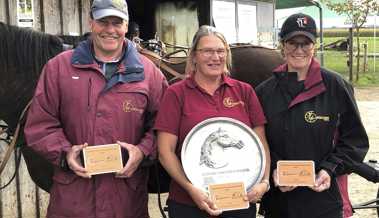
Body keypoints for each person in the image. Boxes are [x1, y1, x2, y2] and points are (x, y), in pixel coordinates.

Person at [24, 0, 168, 217]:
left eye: (117, 23)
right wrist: (65, 153)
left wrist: (142, 151)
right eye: (103, 21)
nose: (110, 29)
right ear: (91, 23)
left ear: (126, 27)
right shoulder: (58, 68)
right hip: (73, 203)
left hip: (126, 203)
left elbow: (164, 127)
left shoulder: (149, 74)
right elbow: (40, 125)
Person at [255, 13, 369, 218]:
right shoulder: (264, 92)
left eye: (305, 43)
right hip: (279, 202)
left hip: (322, 201)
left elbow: (355, 141)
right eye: (292, 43)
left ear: (314, 46)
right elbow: (257, 143)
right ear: (282, 45)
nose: (299, 50)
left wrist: (329, 169)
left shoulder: (336, 86)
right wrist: (272, 171)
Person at [154, 25, 271, 218]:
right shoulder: (176, 93)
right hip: (189, 204)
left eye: (220, 51)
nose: (215, 57)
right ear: (194, 56)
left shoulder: (244, 91)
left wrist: (264, 182)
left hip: (237, 200)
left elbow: (260, 144)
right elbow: (165, 152)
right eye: (207, 51)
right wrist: (191, 189)